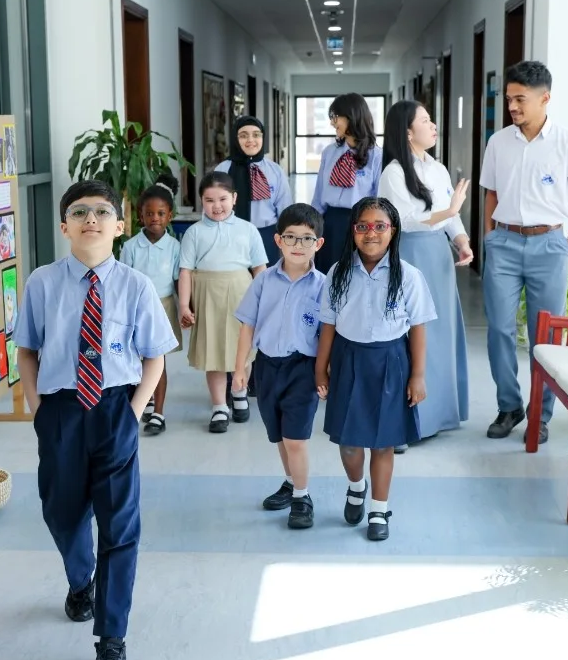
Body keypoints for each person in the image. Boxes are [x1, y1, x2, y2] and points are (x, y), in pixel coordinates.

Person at [14, 179, 177, 660]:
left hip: (113, 407)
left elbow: (155, 354)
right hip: (61, 410)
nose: (91, 219)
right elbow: (28, 350)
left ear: (119, 225)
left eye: (102, 212)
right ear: (64, 226)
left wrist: (133, 410)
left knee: (119, 525)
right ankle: (79, 578)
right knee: (61, 513)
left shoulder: (135, 284)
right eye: (79, 212)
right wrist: (38, 407)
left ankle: (111, 641)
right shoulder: (42, 282)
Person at [480, 60, 568, 444]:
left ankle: (540, 415)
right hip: (505, 242)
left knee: (543, 336)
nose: (512, 107)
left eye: (520, 99)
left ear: (545, 98)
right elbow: (491, 193)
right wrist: (490, 237)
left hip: (550, 245)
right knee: (498, 328)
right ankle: (509, 405)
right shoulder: (498, 143)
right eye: (509, 99)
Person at [315, 197, 435, 542]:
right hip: (349, 361)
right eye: (363, 226)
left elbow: (419, 328)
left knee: (383, 444)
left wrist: (417, 375)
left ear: (393, 231)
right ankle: (356, 486)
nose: (371, 233)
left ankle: (379, 509)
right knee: (350, 443)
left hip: (391, 362)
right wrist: (321, 369)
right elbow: (328, 325)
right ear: (353, 232)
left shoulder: (408, 276)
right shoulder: (338, 273)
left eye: (380, 226)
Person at [379, 101, 473, 451]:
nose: (433, 125)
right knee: (410, 332)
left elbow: (452, 217)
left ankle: (440, 415)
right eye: (426, 121)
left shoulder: (437, 168)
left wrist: (461, 241)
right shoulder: (393, 173)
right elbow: (401, 221)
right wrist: (448, 211)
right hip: (410, 253)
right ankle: (406, 420)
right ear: (407, 131)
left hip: (438, 255)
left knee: (441, 330)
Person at [232, 204, 326, 529]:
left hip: (304, 369)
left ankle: (302, 497)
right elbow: (247, 324)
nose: (298, 245)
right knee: (281, 438)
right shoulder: (263, 281)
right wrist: (241, 368)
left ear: (319, 244)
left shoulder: (323, 285)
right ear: (278, 240)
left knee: (297, 439)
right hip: (267, 368)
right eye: (291, 238)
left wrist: (325, 372)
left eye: (307, 238)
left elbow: (328, 335)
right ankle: (290, 482)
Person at [178, 172, 268, 433]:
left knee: (243, 350)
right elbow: (185, 271)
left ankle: (239, 393)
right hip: (206, 295)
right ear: (201, 202)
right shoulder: (194, 233)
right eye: (209, 200)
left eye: (222, 199)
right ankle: (219, 406)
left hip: (242, 293)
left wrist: (263, 302)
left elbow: (260, 269)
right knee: (213, 352)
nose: (216, 206)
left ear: (234, 198)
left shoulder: (248, 230)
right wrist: (185, 305)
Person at [119, 173, 183, 435]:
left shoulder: (174, 247)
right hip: (136, 309)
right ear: (140, 216)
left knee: (158, 360)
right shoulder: (131, 246)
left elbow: (180, 281)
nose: (154, 218)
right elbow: (123, 282)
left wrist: (185, 309)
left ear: (169, 216)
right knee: (135, 359)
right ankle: (142, 402)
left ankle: (158, 412)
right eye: (149, 213)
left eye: (160, 213)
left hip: (164, 307)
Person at [311, 93, 383, 274]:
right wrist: (312, 227)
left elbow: (379, 200)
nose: (332, 123)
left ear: (352, 117)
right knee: (328, 275)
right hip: (331, 223)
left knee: (356, 276)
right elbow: (319, 194)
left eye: (335, 117)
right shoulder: (329, 152)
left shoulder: (376, 156)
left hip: (362, 224)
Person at [216, 115, 294, 265]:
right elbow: (211, 204)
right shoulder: (223, 169)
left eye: (256, 135)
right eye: (243, 136)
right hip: (230, 234)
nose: (250, 140)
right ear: (235, 139)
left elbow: (286, 210)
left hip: (266, 234)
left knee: (267, 281)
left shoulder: (275, 170)